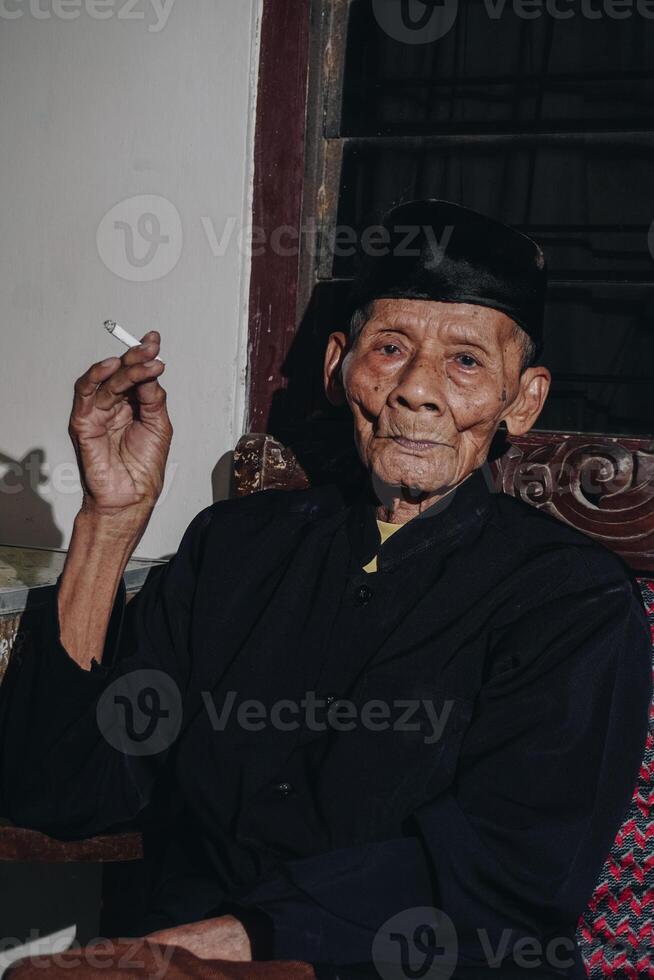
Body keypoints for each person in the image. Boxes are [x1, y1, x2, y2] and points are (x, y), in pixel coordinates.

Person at [0, 200, 651, 980]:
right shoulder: (234, 548)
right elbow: (60, 793)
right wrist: (110, 521)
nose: (417, 390)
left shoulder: (572, 603)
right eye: (389, 348)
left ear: (523, 400)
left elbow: (511, 872)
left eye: (467, 362)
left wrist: (236, 941)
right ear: (337, 365)